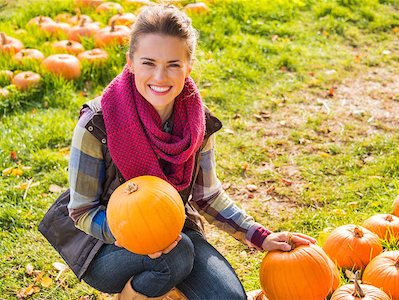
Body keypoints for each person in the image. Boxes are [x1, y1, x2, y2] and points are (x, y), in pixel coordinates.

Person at [39, 4, 316, 299]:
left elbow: (207, 195)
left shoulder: (196, 122)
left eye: (173, 64)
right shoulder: (97, 124)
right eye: (148, 62)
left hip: (174, 231)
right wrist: (130, 232)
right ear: (130, 62)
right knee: (179, 253)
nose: (160, 76)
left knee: (228, 296)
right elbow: (81, 210)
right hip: (105, 245)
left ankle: (165, 285)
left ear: (188, 66)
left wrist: (260, 235)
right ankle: (132, 294)